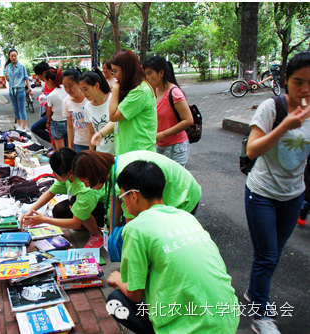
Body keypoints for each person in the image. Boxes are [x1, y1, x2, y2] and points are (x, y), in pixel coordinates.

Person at [106, 160, 239, 334]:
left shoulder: (135, 228)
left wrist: (118, 279)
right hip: (228, 320)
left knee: (115, 300)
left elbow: (135, 294)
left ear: (133, 195)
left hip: (188, 330)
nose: (123, 204)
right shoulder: (186, 216)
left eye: (122, 198)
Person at [243, 51, 310, 334]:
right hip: (262, 194)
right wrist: (285, 127)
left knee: (273, 254)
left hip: (294, 195)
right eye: (298, 82)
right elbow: (253, 149)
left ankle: (253, 292)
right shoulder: (271, 108)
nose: (305, 89)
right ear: (285, 79)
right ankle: (260, 316)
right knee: (267, 256)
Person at [71, 150, 201, 232]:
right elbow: (114, 205)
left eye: (85, 182)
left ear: (93, 173)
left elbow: (133, 224)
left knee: (164, 238)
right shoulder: (113, 167)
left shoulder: (124, 177)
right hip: (180, 188)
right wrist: (111, 237)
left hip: (183, 196)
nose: (87, 186)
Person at [20, 148, 105, 248]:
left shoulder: (85, 188)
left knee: (73, 204)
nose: (53, 175)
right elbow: (50, 193)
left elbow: (75, 224)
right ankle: (86, 224)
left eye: (56, 173)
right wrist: (31, 210)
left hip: (103, 212)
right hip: (90, 204)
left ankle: (97, 234)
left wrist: (44, 220)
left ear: (69, 172)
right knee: (58, 211)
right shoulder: (71, 175)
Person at [143, 56, 193, 167]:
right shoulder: (154, 91)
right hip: (159, 145)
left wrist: (163, 134)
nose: (147, 77)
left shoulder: (174, 93)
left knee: (174, 182)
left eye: (149, 73)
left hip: (176, 147)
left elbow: (188, 120)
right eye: (146, 74)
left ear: (161, 73)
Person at [109, 49, 157, 155]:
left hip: (138, 155)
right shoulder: (134, 88)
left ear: (127, 69)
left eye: (115, 71)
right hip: (130, 153)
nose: (114, 76)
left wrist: (115, 89)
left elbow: (113, 116)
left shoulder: (140, 91)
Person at [79, 69, 115, 155]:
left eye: (86, 89)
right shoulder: (87, 107)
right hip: (101, 154)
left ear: (97, 86)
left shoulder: (113, 99)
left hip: (119, 153)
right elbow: (91, 132)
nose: (83, 93)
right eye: (81, 90)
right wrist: (91, 153)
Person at [5, 49, 33, 130]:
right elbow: (8, 80)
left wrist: (30, 89)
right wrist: (6, 76)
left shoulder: (21, 66)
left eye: (15, 55)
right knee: (15, 108)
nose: (14, 57)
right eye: (12, 56)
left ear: (17, 56)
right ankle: (19, 124)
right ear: (9, 57)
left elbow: (26, 78)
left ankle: (24, 127)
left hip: (20, 90)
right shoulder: (8, 67)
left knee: (22, 108)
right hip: (11, 91)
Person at [62, 68, 89, 152]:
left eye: (70, 86)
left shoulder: (89, 98)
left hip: (95, 141)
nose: (68, 90)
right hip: (79, 143)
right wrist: (70, 146)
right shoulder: (66, 101)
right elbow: (70, 126)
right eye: (65, 86)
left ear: (78, 83)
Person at [45, 68, 68, 151]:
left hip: (57, 123)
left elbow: (49, 111)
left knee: (60, 151)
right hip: (69, 121)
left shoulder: (51, 95)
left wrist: (48, 121)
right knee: (70, 148)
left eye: (45, 81)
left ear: (50, 80)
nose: (45, 83)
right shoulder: (67, 90)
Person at [31, 61, 52, 143]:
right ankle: (55, 144)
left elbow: (51, 102)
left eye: (39, 77)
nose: (41, 80)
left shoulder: (51, 82)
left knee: (35, 128)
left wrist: (48, 121)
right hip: (48, 112)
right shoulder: (46, 83)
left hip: (53, 114)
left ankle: (55, 143)